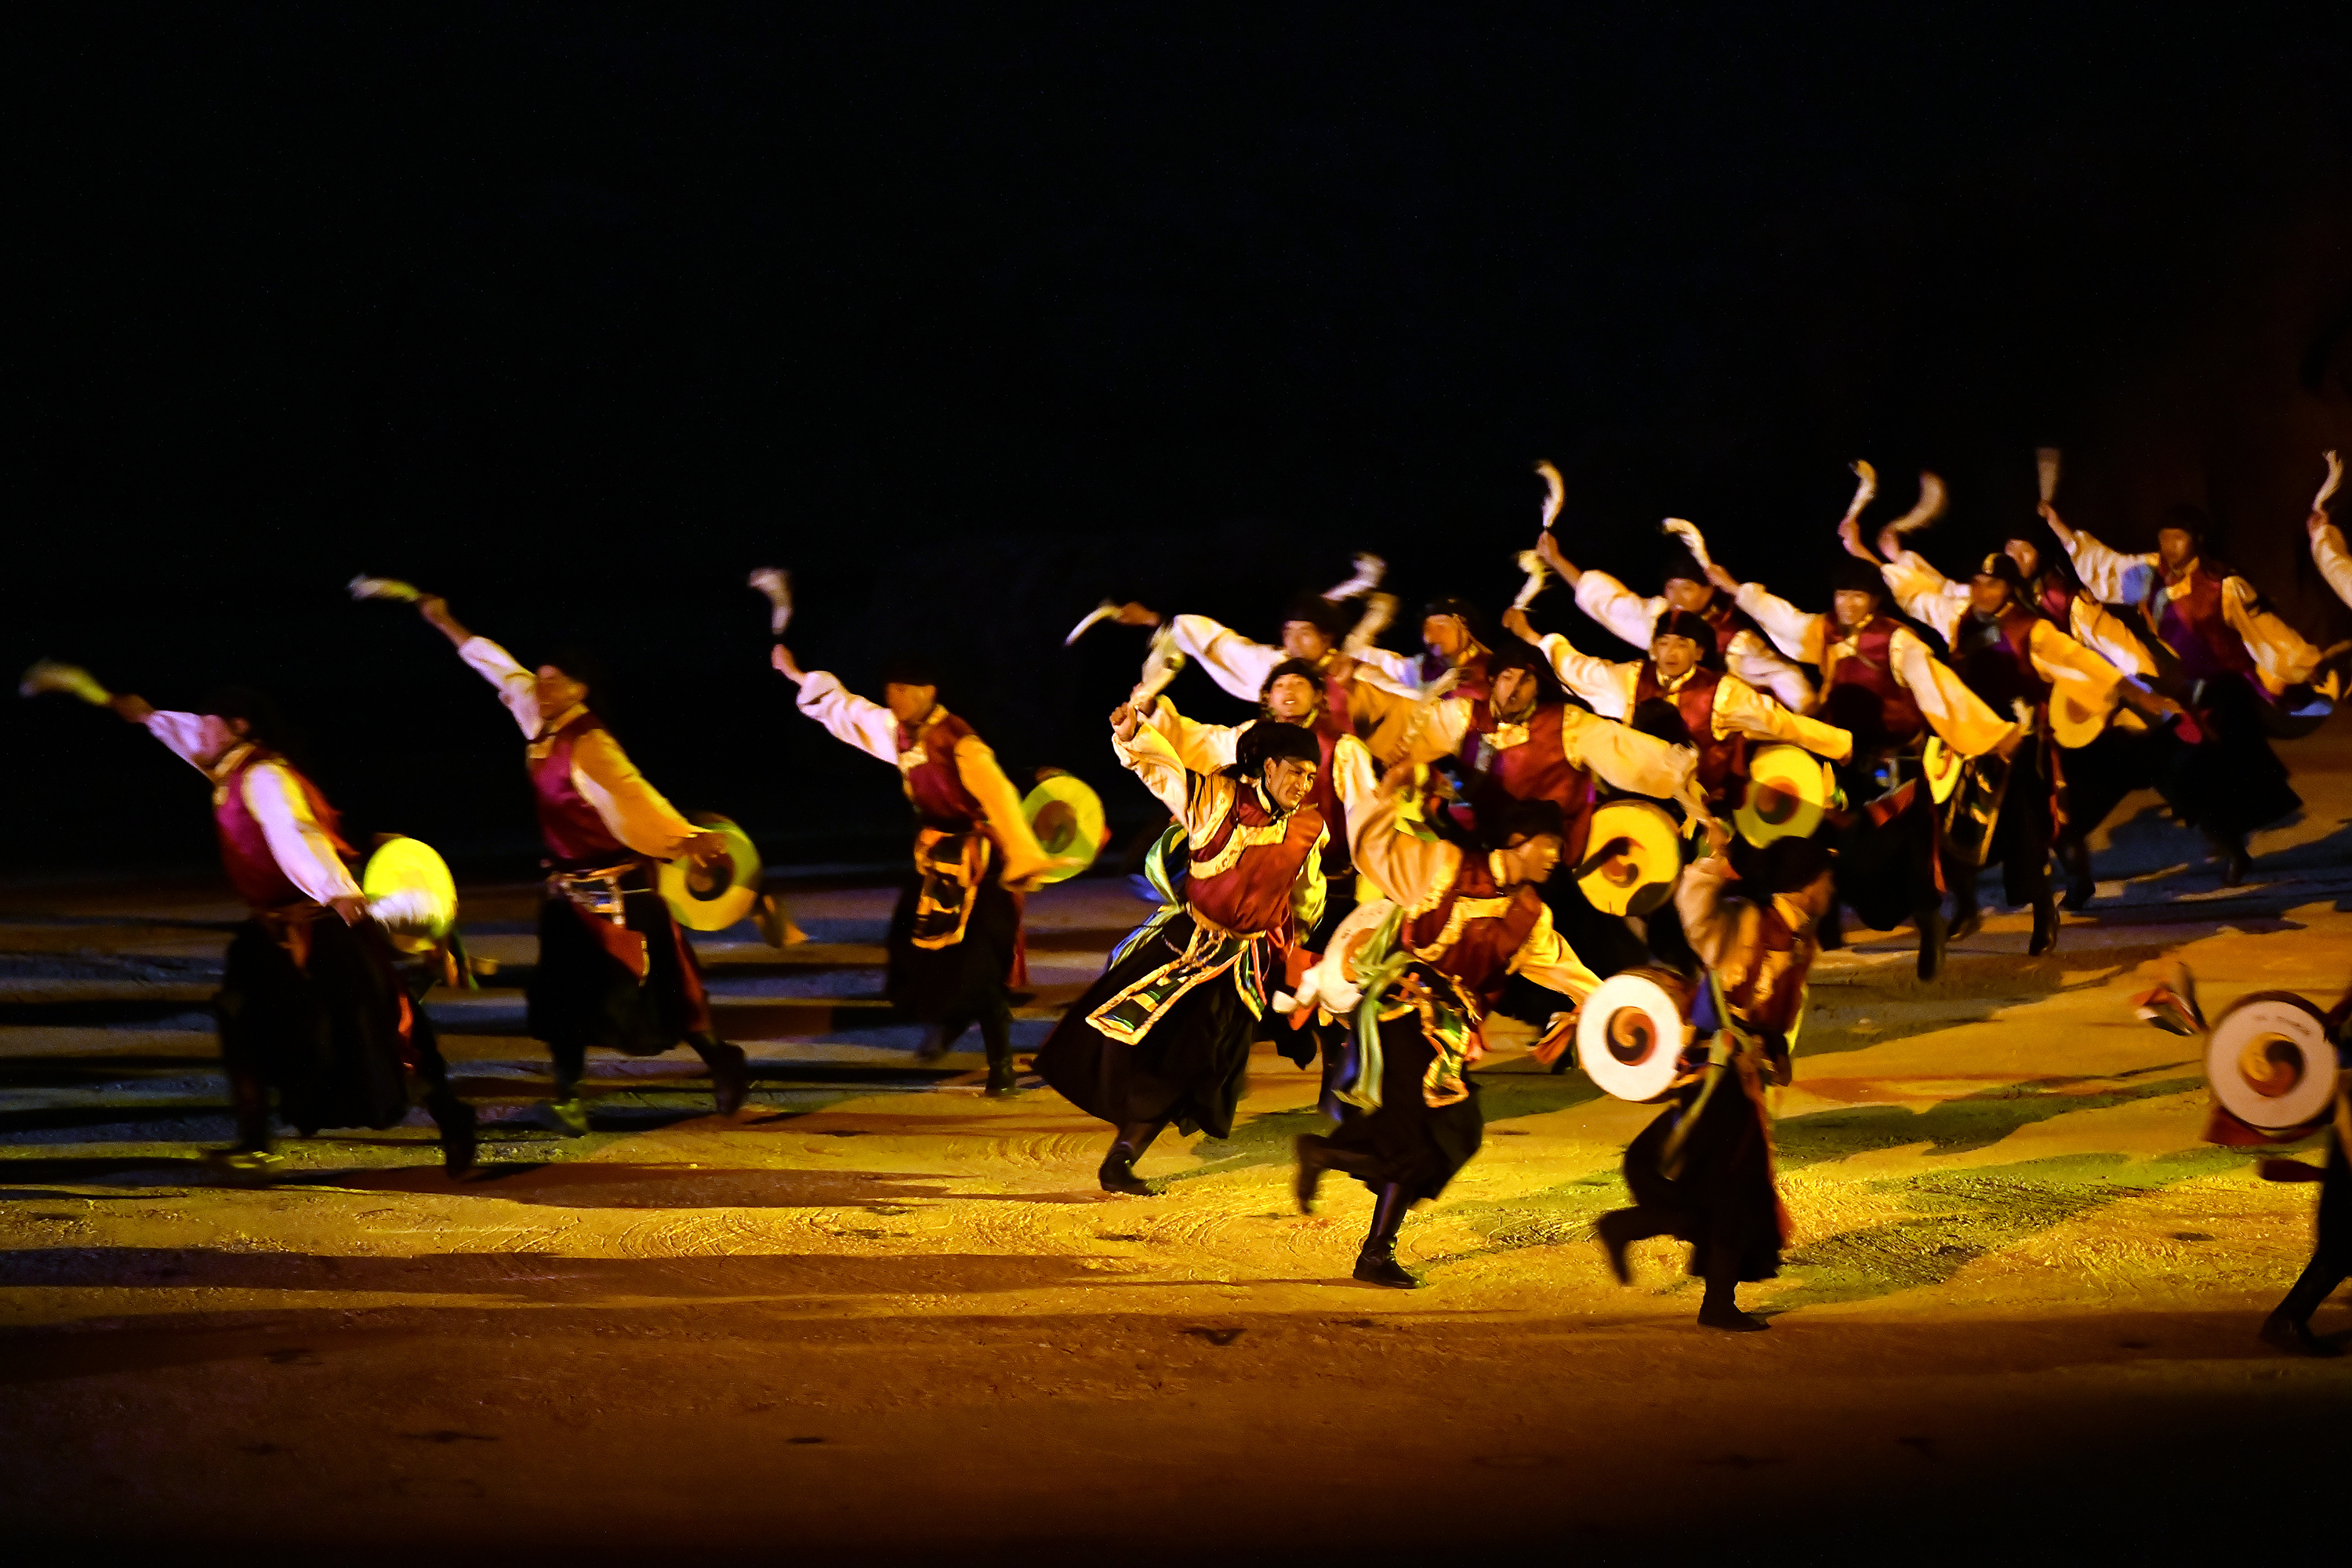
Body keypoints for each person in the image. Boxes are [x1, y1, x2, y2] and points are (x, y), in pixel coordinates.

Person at [54, 675, 475, 1175]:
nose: (200, 734)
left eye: (210, 726)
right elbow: (184, 734)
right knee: (240, 1015)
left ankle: (452, 1117)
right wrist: (137, 712)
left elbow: (295, 834)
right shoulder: (228, 769)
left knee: (381, 1028)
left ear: (240, 728)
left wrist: (337, 892)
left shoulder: (265, 778)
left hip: (321, 921)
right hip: (269, 929)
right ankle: (254, 1141)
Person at [412, 596, 748, 1133]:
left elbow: (635, 797)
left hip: (622, 895)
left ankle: (721, 1059)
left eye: (555, 683)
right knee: (560, 1000)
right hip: (568, 895)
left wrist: (686, 839)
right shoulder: (539, 722)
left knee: (662, 994)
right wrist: (445, 621)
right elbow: (498, 669)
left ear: (580, 691)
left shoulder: (590, 744)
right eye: (541, 681)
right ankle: (568, 1097)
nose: (541, 690)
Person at [1294, 779, 1600, 1287]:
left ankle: (1338, 1177)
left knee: (1449, 1136)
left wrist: (1619, 1010)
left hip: (1447, 1036)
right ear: (1518, 840)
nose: (1556, 857)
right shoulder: (1441, 863)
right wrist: (1383, 791)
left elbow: (1573, 975)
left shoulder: (1532, 917)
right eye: (1549, 844)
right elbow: (1376, 851)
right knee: (1429, 1134)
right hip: (1401, 1014)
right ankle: (1370, 1241)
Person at [1036, 709, 1327, 1194]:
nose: (1302, 784)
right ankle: (1121, 1156)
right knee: (1159, 1054)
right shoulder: (1215, 799)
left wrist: (1294, 944)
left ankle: (1124, 1155)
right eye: (1295, 772)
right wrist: (1133, 735)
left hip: (1245, 967)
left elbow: (1305, 894)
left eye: (1311, 777)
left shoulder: (1310, 828)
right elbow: (1163, 772)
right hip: (1187, 950)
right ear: (1269, 766)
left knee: (1201, 1066)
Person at [1864, 544, 2180, 953]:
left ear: (2010, 588)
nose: (1982, 591)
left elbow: (2079, 661)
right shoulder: (1957, 617)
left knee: (2028, 828)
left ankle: (2044, 911)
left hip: (2019, 743)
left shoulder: (2033, 630)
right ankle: (1966, 906)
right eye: (1977, 583)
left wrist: (2136, 694)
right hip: (1967, 739)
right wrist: (1872, 562)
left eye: (1993, 584)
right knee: (1941, 823)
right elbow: (1914, 596)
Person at [1711, 553, 2013, 978]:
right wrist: (1735, 589)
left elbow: (1939, 688)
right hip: (1846, 760)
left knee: (1913, 849)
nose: (1848, 604)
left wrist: (1994, 733)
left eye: (1858, 596)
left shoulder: (1899, 641)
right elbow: (1783, 618)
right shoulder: (1826, 631)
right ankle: (1829, 923)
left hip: (1898, 765)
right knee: (1833, 840)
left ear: (1873, 600)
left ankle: (1930, 924)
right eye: (1841, 595)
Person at [772, 645, 1055, 1095]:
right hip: (935, 864)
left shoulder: (960, 743)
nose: (894, 698)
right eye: (891, 690)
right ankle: (946, 1023)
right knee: (913, 952)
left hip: (979, 867)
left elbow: (1001, 799)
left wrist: (1024, 858)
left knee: (979, 968)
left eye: (903, 690)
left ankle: (1000, 1064)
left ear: (928, 691)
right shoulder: (900, 732)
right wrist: (795, 674)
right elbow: (849, 712)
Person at [1594, 819, 1834, 1330]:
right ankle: (1699, 1287)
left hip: (1742, 1074)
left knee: (1727, 1187)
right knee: (1732, 1188)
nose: (1830, 889)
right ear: (1804, 883)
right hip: (1715, 1071)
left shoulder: (1798, 937)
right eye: (1824, 879)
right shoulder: (1743, 921)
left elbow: (1782, 1007)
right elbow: (1697, 911)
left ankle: (1641, 1235)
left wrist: (1777, 1052)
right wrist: (1713, 861)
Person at [1346, 637, 1704, 978]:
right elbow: (1410, 729)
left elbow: (1623, 750)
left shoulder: (1567, 725)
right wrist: (1354, 701)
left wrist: (1677, 773)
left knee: (1591, 948)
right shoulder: (1464, 718)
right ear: (1492, 681)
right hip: (1488, 858)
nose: (1514, 689)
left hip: (1556, 862)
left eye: (1525, 680)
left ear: (1538, 686)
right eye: (1506, 677)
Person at [2042, 500, 2328, 883]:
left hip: (2224, 693)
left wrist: (2307, 663)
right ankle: (2229, 845)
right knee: (2179, 775)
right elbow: (2104, 566)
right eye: (2164, 538)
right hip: (2178, 690)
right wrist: (2060, 528)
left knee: (2208, 772)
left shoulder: (2224, 586)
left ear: (2197, 540)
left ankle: (2231, 844)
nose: (2169, 546)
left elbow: (2268, 633)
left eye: (2177, 538)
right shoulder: (2149, 575)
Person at [1500, 601, 1852, 817]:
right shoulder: (1630, 678)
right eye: (1663, 643)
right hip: (1644, 800)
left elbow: (1781, 723)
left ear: (1699, 652)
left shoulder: (1723, 693)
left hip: (1707, 807)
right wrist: (1531, 636)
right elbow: (1576, 667)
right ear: (1653, 648)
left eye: (1681, 644)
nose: (1670, 652)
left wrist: (1838, 744)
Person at [1536, 531, 1817, 713]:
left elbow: (1784, 676)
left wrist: (1804, 711)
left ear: (1709, 591)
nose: (1677, 597)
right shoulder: (1659, 618)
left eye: (1687, 588)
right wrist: (1556, 560)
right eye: (1671, 587)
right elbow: (1608, 604)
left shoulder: (1732, 640)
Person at [1111, 591, 1415, 736]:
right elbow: (1215, 641)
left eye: (1305, 633)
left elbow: (1410, 682)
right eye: (1288, 633)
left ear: (1326, 638)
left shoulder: (1356, 665)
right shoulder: (1274, 668)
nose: (1295, 642)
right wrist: (1154, 619)